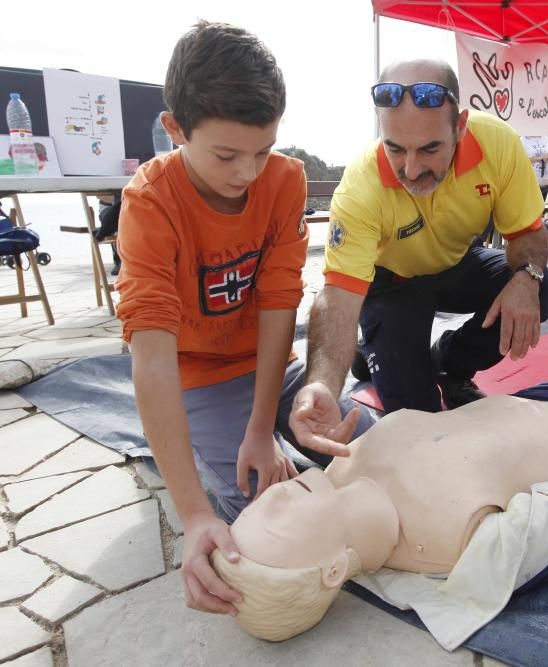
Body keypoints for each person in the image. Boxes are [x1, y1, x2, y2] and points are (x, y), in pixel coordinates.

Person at [212, 330, 548, 638]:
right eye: (277, 523)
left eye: (257, 507)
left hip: (532, 402)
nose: (275, 494)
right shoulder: (456, 546)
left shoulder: (341, 465)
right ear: (331, 571)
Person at [116, 22, 376, 617]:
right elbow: (152, 360)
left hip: (267, 367)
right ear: (175, 128)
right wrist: (192, 516)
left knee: (369, 448)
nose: (247, 173)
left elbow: (278, 306)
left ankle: (250, 438)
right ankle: (180, 455)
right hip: (195, 380)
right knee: (254, 522)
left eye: (262, 150)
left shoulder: (285, 181)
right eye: (227, 155)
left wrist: (266, 425)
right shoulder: (149, 203)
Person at [293, 59, 548, 433]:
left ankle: (450, 362)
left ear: (461, 126)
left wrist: (527, 278)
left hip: (457, 265)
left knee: (542, 289)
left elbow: (528, 232)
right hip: (393, 283)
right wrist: (321, 383)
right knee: (419, 420)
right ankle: (367, 352)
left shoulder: (497, 143)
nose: (412, 170)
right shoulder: (360, 186)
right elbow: (338, 295)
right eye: (395, 149)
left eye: (430, 149)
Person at [520, 134, 548, 203]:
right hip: (530, 180)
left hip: (546, 179)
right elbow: (521, 160)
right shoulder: (523, 140)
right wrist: (540, 158)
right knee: (532, 205)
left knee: (542, 205)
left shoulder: (545, 138)